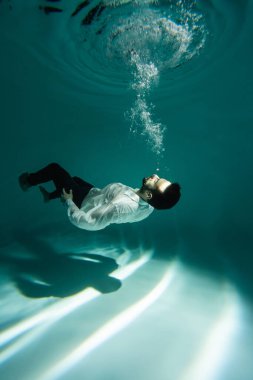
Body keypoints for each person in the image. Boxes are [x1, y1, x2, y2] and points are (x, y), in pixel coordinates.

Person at [18, 163, 181, 231]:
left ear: (149, 194)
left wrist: (69, 202)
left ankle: (28, 182)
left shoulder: (120, 205)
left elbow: (89, 223)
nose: (155, 174)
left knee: (55, 169)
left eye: (157, 181)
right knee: (75, 180)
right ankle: (49, 196)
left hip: (83, 202)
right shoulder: (151, 205)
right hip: (94, 194)